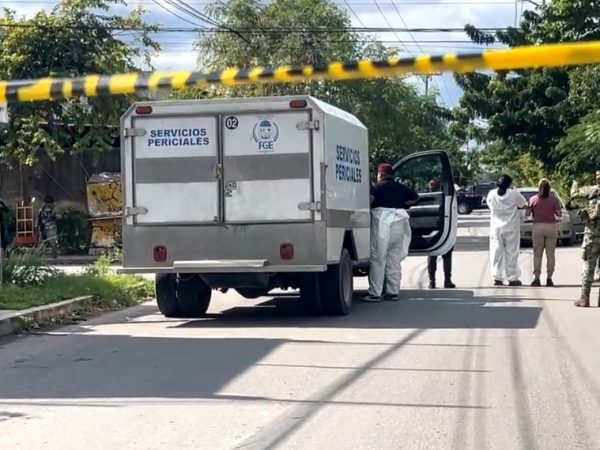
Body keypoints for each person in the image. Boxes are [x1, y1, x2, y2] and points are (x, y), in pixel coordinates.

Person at [364, 163, 419, 302]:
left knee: (378, 258)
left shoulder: (376, 187)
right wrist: (403, 203)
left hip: (382, 224)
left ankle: (375, 293)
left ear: (381, 174)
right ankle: (393, 292)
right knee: (393, 259)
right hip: (399, 225)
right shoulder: (400, 187)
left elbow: (368, 200)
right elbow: (415, 197)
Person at [486, 174, 527, 286]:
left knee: (496, 252)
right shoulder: (513, 193)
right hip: (511, 227)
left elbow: (490, 206)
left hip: (496, 227)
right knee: (512, 252)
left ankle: (497, 277)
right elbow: (523, 203)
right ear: (509, 184)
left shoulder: (491, 194)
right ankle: (512, 278)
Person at [571, 168, 600, 307]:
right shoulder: (591, 190)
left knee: (588, 266)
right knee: (589, 265)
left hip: (592, 235)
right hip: (591, 235)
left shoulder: (591, 190)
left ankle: (585, 297)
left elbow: (574, 195)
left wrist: (575, 183)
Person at [527, 179, 562, 287]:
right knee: (550, 254)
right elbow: (559, 214)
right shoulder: (553, 200)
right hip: (551, 226)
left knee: (537, 254)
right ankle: (549, 278)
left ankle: (537, 278)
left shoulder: (533, 199)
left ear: (538, 188)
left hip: (538, 226)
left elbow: (527, 213)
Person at [426, 179, 455, 289]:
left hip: (431, 230)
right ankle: (447, 280)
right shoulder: (444, 198)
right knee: (447, 255)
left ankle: (432, 281)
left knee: (432, 255)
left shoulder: (425, 198)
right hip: (444, 230)